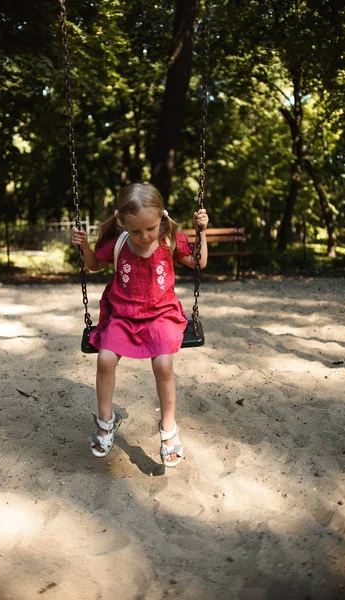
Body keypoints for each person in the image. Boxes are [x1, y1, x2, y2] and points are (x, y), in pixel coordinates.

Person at [71, 183, 209, 467]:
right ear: (123, 223)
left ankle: (168, 429)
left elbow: (199, 263)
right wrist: (83, 246)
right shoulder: (119, 243)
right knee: (105, 359)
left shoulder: (169, 240)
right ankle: (106, 422)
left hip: (161, 314)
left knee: (163, 364)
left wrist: (202, 233)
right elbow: (94, 266)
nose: (145, 236)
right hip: (122, 315)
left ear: (162, 218)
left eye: (151, 228)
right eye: (136, 231)